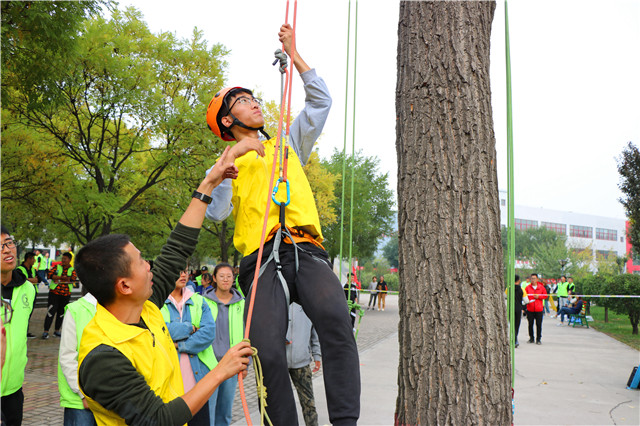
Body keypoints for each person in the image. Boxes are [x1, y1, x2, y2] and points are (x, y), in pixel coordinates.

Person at [204, 24, 360, 425]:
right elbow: (216, 213)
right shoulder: (225, 165)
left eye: (253, 97)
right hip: (260, 262)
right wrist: (230, 160)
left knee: (337, 324)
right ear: (226, 120)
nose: (253, 103)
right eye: (241, 101)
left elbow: (321, 103)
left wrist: (295, 55)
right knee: (266, 350)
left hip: (304, 249)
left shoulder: (287, 144)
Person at [75, 147, 253, 425]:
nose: (150, 266)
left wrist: (209, 184)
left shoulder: (144, 308)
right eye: (141, 262)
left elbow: (176, 250)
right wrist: (220, 371)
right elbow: (159, 420)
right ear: (124, 286)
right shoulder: (103, 357)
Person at [161, 269, 217, 425]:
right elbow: (160, 331)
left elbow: (208, 333)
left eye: (184, 270)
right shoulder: (155, 303)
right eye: (178, 271)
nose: (183, 275)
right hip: (169, 384)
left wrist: (179, 345)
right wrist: (190, 328)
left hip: (198, 381)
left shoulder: (199, 300)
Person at [1, 226, 37, 425]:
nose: (7, 250)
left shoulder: (28, 289)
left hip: (14, 390)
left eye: (9, 243)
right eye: (0, 247)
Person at [202, 262, 246, 425]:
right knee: (209, 410)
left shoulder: (241, 304)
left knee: (225, 411)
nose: (226, 280)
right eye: (221, 276)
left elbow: (246, 337)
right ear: (214, 278)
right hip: (209, 364)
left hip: (232, 364)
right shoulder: (203, 302)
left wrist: (244, 364)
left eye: (229, 276)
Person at [58, 291, 98, 426]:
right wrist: (82, 393)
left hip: (109, 399)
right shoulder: (76, 310)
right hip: (81, 402)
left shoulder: (118, 309)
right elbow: (67, 356)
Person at [287, 302, 321, 426]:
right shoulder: (278, 299)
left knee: (309, 403)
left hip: (302, 363)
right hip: (279, 364)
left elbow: (315, 332)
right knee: (281, 405)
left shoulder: (308, 303)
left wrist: (317, 354)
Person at [43, 252, 76, 339]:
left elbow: (72, 279)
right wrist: (62, 277)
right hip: (54, 293)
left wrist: (57, 277)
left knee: (61, 313)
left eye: (65, 259)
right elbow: (50, 275)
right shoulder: (57, 267)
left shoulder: (72, 270)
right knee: (51, 312)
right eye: (62, 258)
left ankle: (57, 331)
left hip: (66, 295)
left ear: (69, 260)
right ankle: (45, 331)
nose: (63, 260)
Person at [17, 251, 39, 339]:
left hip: (32, 294)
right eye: (33, 259)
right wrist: (31, 280)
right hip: (23, 295)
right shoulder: (20, 269)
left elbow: (36, 279)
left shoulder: (32, 269)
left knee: (28, 314)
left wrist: (31, 279)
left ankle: (26, 331)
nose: (34, 261)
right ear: (29, 259)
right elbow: (20, 280)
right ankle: (21, 332)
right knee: (22, 314)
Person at [524, 273, 548, 345]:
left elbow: (545, 296)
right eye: (532, 278)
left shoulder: (541, 287)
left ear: (537, 279)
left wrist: (539, 297)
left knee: (539, 324)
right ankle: (531, 338)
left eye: (534, 278)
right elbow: (524, 296)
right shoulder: (527, 288)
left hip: (539, 309)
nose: (533, 280)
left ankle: (538, 339)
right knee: (530, 324)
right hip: (530, 309)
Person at [507, 274, 525, 348]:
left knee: (512, 324)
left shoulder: (508, 288)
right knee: (517, 325)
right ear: (519, 280)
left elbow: (504, 296)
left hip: (511, 308)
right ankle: (515, 339)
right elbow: (526, 300)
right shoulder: (522, 289)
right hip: (518, 308)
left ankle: (514, 339)